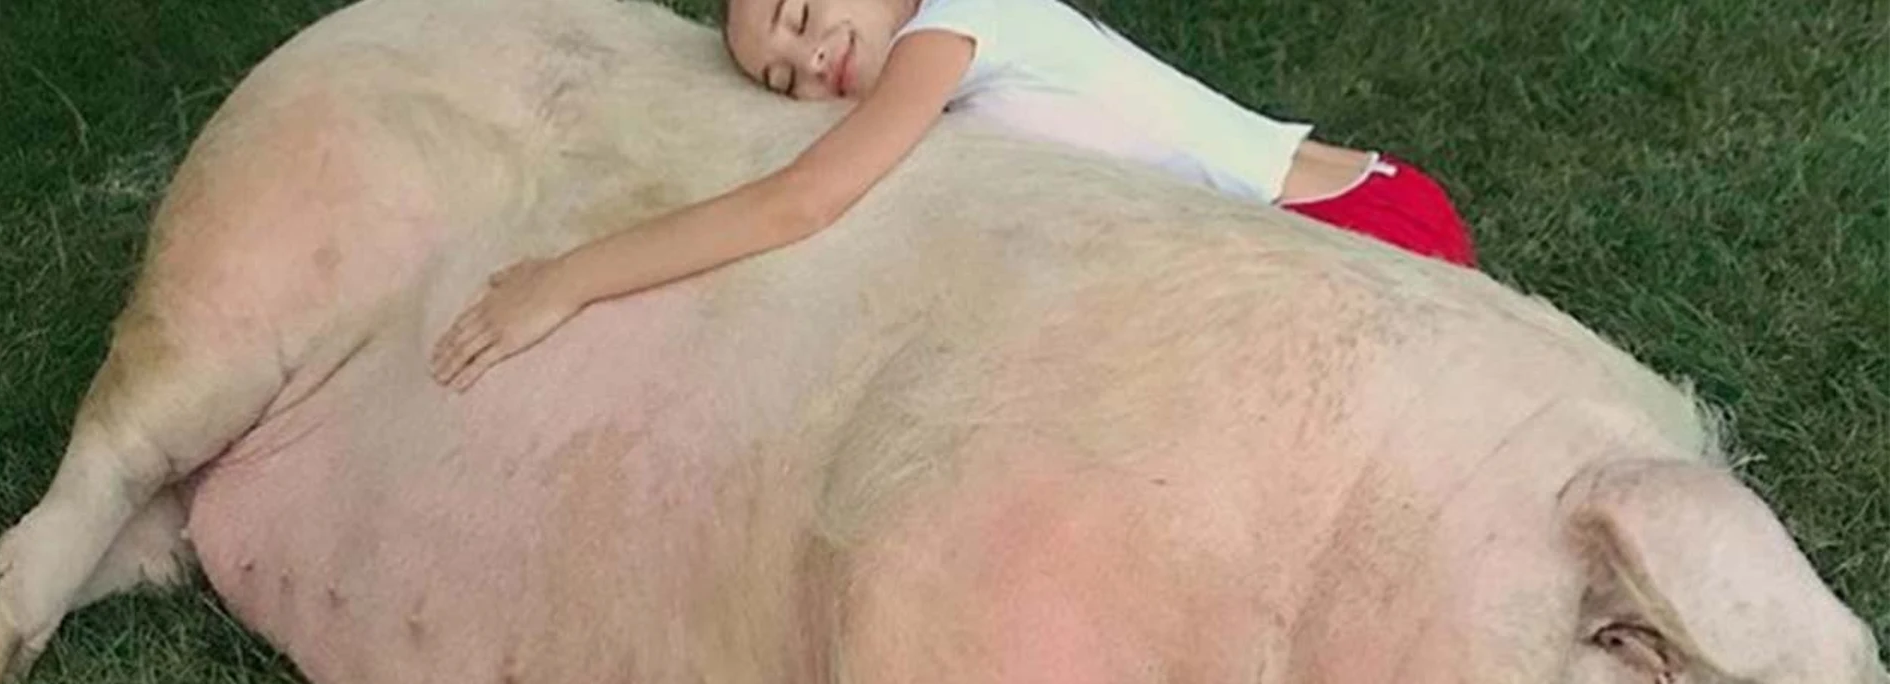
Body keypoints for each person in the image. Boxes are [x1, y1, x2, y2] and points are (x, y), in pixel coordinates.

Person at [430, 0, 1477, 389]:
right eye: (780, 77)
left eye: (798, 13)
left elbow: (799, 203)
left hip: (1354, 235)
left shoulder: (951, 28)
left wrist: (568, 277)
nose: (809, 64)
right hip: (1362, 198)